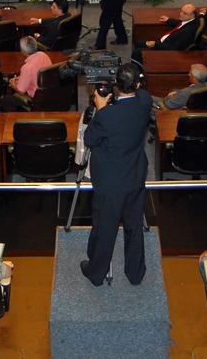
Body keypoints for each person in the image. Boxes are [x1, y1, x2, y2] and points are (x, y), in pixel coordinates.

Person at [80, 63, 152, 286]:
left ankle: (96, 272)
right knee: (134, 226)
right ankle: (135, 273)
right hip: (135, 175)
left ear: (116, 86)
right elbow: (141, 91)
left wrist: (100, 108)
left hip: (110, 182)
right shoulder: (145, 102)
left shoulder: (106, 116)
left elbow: (90, 139)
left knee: (105, 228)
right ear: (137, 84)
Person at [131, 3, 200, 63]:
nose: (181, 14)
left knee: (136, 53)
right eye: (181, 10)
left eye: (184, 13)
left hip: (165, 49)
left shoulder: (188, 32)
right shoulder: (191, 21)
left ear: (192, 15)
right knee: (138, 43)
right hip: (164, 42)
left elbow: (174, 49)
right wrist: (168, 20)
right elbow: (181, 23)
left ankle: (138, 73)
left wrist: (155, 44)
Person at [2, 36, 53, 110]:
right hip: (48, 93)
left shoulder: (27, 67)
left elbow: (21, 91)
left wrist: (12, 82)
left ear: (23, 51)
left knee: (6, 100)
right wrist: (21, 78)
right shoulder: (44, 55)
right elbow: (36, 74)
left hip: (36, 99)